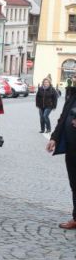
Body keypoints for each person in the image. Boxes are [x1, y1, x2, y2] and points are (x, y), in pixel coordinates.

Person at [47, 88, 76, 229]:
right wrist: (54, 138)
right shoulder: (73, 95)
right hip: (71, 147)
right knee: (74, 184)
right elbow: (63, 117)